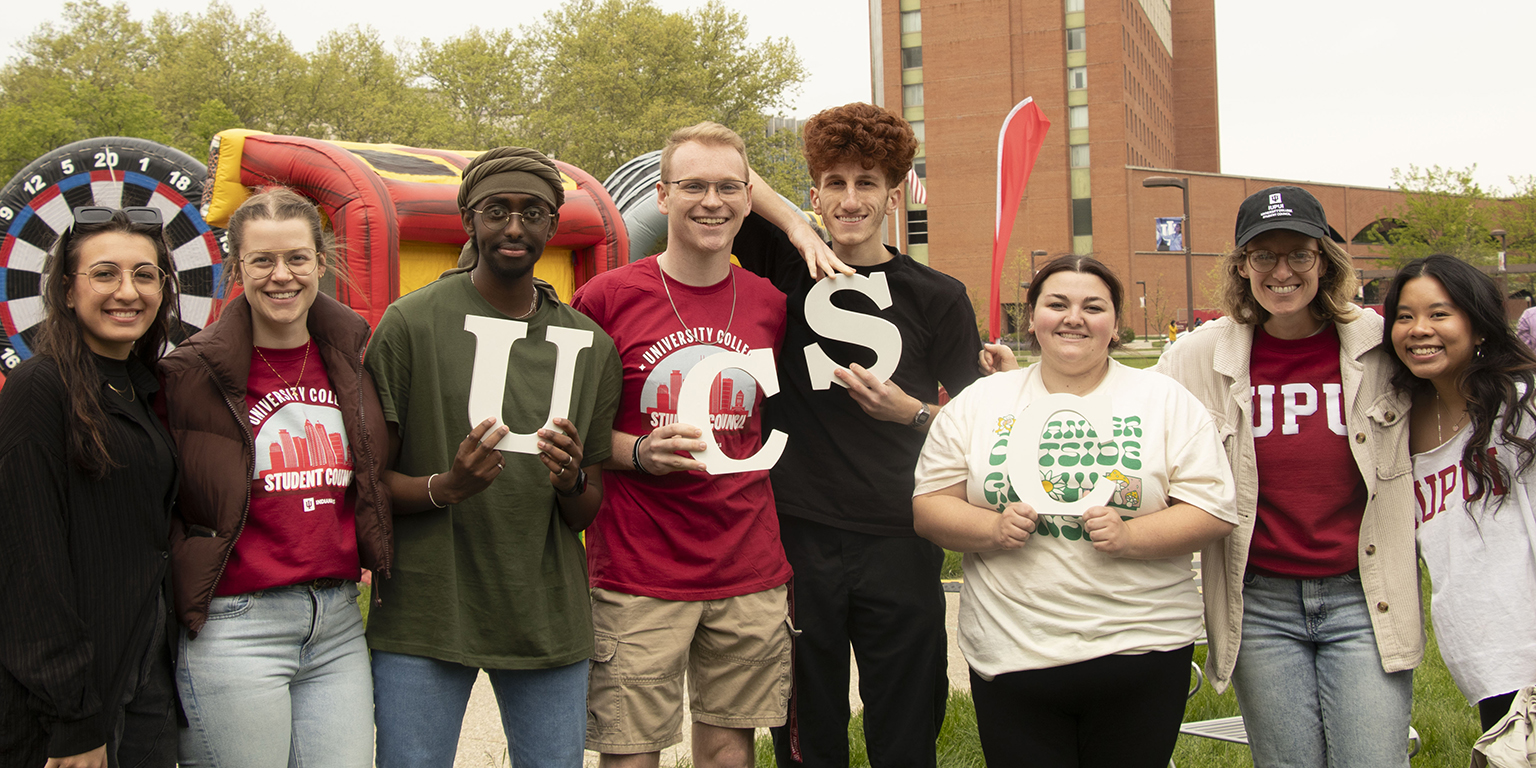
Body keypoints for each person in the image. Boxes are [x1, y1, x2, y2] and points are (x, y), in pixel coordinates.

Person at [731, 102, 981, 767]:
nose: (849, 199)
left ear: (893, 195)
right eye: (834, 184)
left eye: (867, 183)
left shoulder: (938, 296)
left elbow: (983, 427)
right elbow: (732, 167)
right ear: (814, 192)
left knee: (905, 725)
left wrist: (910, 413)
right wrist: (796, 227)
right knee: (808, 729)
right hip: (797, 534)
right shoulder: (782, 266)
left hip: (902, 534)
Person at [912, 255, 1235, 768]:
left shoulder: (1163, 400)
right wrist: (992, 528)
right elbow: (929, 508)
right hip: (1013, 651)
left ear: (1115, 322)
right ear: (1032, 317)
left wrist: (1133, 538)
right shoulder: (981, 403)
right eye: (1056, 304)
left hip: (1141, 649)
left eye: (1093, 306)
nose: (1073, 318)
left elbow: (1213, 510)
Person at [364, 146, 620, 767]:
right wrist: (446, 487)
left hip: (544, 612)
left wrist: (567, 480)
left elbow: (585, 511)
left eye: (532, 212)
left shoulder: (590, 346)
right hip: (427, 612)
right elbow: (370, 487)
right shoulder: (411, 324)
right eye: (496, 211)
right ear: (468, 220)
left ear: (553, 225)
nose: (513, 228)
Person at [1154, 186, 1422, 767]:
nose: (1282, 271)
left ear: (1324, 261)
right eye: (1263, 255)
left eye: (1299, 253)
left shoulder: (1381, 347)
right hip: (1261, 602)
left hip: (1362, 596)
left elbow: (1461, 380)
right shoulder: (1198, 357)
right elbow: (1125, 417)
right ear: (1241, 266)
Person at [571, 122, 791, 768]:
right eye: (693, 185)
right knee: (630, 752)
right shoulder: (607, 299)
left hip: (747, 564)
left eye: (728, 187)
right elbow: (568, 429)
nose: (711, 201)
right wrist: (637, 453)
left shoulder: (771, 305)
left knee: (729, 748)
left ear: (750, 199)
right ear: (662, 197)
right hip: (638, 570)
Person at [157, 188, 392, 767]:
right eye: (261, 261)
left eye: (296, 258)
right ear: (237, 268)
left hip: (335, 622)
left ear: (320, 261)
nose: (280, 276)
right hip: (235, 626)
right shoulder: (186, 374)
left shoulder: (352, 358)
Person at [0, 207, 180, 767]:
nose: (128, 291)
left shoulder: (143, 389)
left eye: (145, 275)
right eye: (105, 273)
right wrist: (74, 716)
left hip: (143, 680)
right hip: (63, 712)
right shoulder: (39, 388)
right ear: (67, 291)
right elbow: (28, 565)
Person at [1382, 254, 1536, 734]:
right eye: (1404, 317)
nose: (1419, 329)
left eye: (1439, 313)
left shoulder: (1523, 406)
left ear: (1480, 326)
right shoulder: (1399, 424)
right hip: (1485, 655)